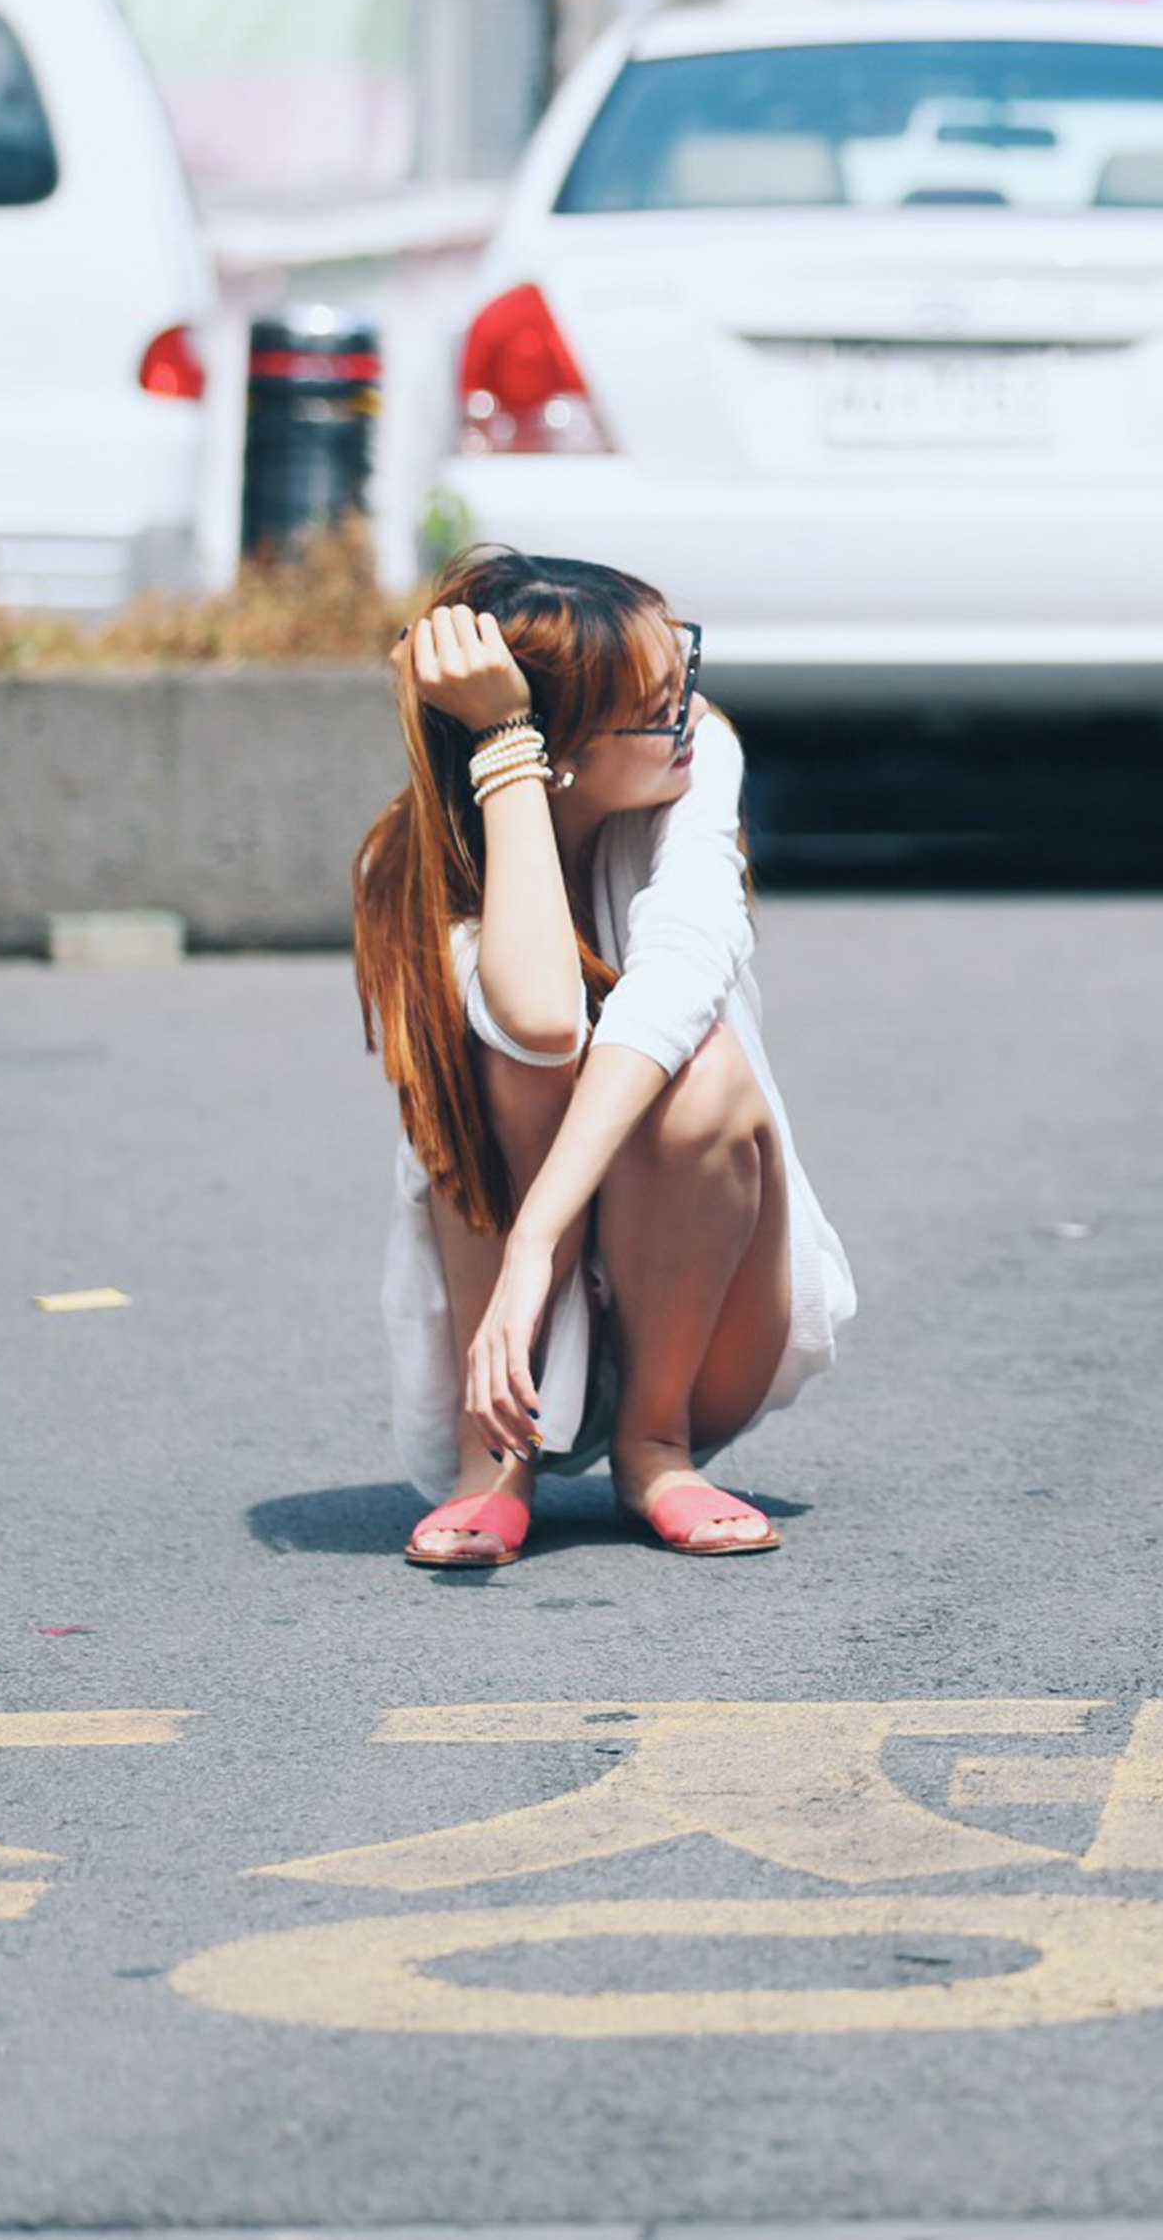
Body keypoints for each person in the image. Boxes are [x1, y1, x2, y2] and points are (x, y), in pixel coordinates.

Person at [354, 549, 852, 1569]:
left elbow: (679, 972)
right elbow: (538, 1021)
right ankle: (491, 1461)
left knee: (699, 1075)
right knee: (513, 1061)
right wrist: (505, 748)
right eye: (659, 706)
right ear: (562, 750)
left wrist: (538, 1244)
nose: (692, 717)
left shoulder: (698, 759)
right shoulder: (408, 867)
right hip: (504, 1352)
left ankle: (655, 1447)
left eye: (687, 681)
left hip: (704, 1325)